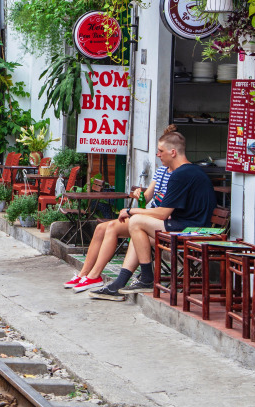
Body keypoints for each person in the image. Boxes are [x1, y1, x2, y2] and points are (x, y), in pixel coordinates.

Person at [90, 127, 216, 301]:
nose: (158, 155)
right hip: (188, 225)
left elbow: (162, 214)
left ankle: (147, 279)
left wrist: (130, 210)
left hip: (191, 230)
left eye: (161, 151)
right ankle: (119, 284)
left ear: (173, 152)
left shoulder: (181, 174)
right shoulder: (188, 171)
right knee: (138, 233)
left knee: (136, 222)